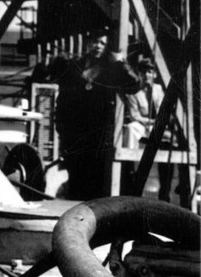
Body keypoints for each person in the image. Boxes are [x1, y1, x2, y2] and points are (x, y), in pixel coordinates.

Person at [47, 29, 141, 200]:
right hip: (76, 134)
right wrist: (61, 128)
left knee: (96, 183)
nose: (98, 46)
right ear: (89, 43)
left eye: (103, 43)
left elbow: (134, 85)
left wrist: (120, 62)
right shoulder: (76, 66)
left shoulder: (111, 68)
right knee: (76, 181)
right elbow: (63, 99)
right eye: (96, 42)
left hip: (99, 134)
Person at [125, 58, 189, 205]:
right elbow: (135, 116)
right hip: (144, 130)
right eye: (143, 72)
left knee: (169, 150)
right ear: (139, 74)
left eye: (149, 72)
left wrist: (162, 123)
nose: (146, 75)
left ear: (154, 74)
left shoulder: (160, 90)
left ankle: (165, 194)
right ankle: (133, 185)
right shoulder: (134, 92)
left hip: (162, 130)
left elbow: (167, 111)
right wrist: (151, 123)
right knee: (133, 131)